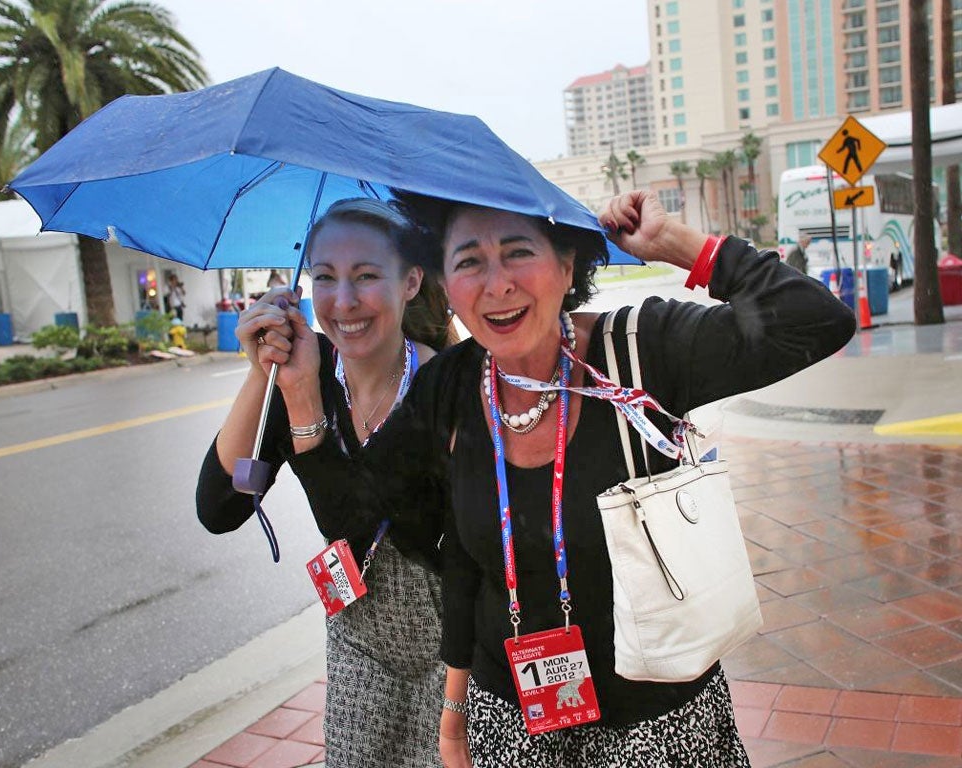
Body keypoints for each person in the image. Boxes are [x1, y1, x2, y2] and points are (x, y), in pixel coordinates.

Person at [275, 189, 856, 767]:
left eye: (518, 252)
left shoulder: (640, 350)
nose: (497, 284)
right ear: (446, 285)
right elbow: (368, 522)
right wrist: (300, 392)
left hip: (659, 724)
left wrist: (674, 243)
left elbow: (816, 320)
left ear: (567, 264)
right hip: (511, 726)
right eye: (469, 261)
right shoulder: (449, 387)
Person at [196, 198, 457, 768]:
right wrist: (262, 373)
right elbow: (222, 505)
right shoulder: (304, 373)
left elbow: (366, 517)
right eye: (324, 277)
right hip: (359, 639)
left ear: (411, 281)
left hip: (456, 646)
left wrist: (304, 406)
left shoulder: (446, 384)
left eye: (366, 276)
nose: (343, 301)